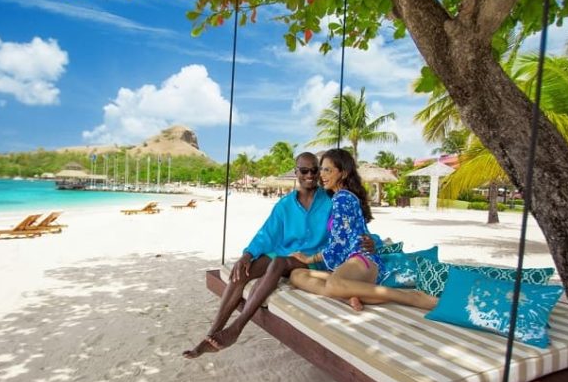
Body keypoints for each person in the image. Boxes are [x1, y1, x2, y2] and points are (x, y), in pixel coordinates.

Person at [183, 151, 377, 358]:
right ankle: (212, 333)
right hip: (285, 254)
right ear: (296, 172)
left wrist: (370, 241)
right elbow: (267, 234)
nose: (310, 175)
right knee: (242, 272)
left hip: (311, 259)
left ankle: (236, 329)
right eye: (304, 170)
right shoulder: (284, 205)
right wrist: (247, 255)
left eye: (315, 170)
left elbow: (353, 227)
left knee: (279, 262)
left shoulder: (332, 199)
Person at [289, 149, 437, 312]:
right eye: (322, 169)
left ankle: (410, 297)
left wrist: (309, 259)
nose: (322, 175)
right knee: (297, 274)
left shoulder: (342, 198)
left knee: (331, 283)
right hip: (349, 265)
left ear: (343, 173)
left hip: (361, 260)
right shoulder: (342, 197)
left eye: (328, 170)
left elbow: (339, 244)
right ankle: (348, 295)